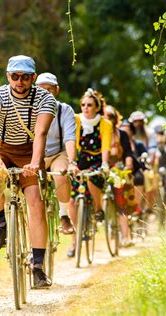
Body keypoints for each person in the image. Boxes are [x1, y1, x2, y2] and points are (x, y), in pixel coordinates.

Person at [0, 55, 55, 288]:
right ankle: (1, 226)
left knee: (35, 200)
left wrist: (35, 162)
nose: (19, 81)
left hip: (29, 151)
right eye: (14, 76)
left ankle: (37, 266)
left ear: (33, 78)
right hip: (1, 148)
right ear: (8, 76)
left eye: (25, 77)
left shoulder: (45, 98)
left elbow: (42, 133)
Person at [67, 88, 112, 257]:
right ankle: (74, 241)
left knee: (93, 180)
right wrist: (73, 162)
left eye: (90, 105)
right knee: (72, 200)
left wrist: (105, 164)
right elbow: (73, 141)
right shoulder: (77, 120)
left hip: (97, 160)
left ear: (97, 107)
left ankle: (99, 209)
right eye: (83, 105)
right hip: (80, 160)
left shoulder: (104, 123)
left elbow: (106, 145)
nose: (85, 108)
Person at [36, 72, 78, 234]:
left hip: (56, 154)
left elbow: (69, 138)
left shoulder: (64, 110)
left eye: (50, 89)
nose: (46, 93)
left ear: (57, 90)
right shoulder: (29, 109)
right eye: (41, 89)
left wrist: (72, 162)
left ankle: (63, 214)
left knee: (61, 173)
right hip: (35, 154)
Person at [104, 106, 138, 247]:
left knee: (121, 202)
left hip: (118, 168)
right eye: (105, 116)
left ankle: (125, 236)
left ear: (115, 119)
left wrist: (128, 164)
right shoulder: (97, 133)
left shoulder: (121, 134)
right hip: (102, 168)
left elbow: (128, 152)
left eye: (110, 116)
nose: (107, 119)